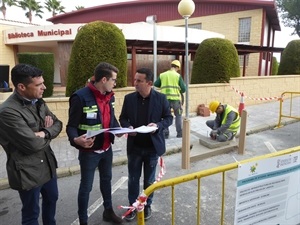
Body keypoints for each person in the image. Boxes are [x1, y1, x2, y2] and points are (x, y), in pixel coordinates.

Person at [0, 63, 63, 225]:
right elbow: (32, 145)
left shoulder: (39, 101)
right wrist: (47, 131)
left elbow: (58, 124)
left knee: (52, 200)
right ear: (21, 86)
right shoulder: (8, 112)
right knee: (31, 213)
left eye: (43, 82)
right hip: (27, 172)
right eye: (39, 84)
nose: (44, 87)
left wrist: (44, 132)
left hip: (47, 166)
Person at [66, 62, 123, 225]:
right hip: (89, 152)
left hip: (107, 149)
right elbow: (71, 126)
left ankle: (108, 211)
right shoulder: (80, 97)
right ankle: (83, 221)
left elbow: (111, 118)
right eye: (114, 80)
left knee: (107, 181)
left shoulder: (110, 96)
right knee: (86, 187)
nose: (115, 83)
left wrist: (120, 130)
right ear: (104, 79)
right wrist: (76, 140)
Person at [119, 68, 173, 221]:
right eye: (135, 80)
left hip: (152, 148)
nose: (135, 83)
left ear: (149, 83)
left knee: (149, 180)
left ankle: (147, 205)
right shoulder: (129, 99)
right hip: (135, 147)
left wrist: (157, 125)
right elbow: (123, 118)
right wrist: (128, 127)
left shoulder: (161, 98)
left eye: (139, 81)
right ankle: (133, 206)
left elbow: (169, 119)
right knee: (133, 179)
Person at [154, 60, 186, 138]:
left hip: (164, 100)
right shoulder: (178, 76)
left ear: (171, 66)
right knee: (178, 115)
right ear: (177, 67)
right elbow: (184, 89)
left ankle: (165, 134)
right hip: (175, 100)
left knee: (165, 116)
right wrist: (179, 90)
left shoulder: (162, 75)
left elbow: (156, 84)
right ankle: (179, 133)